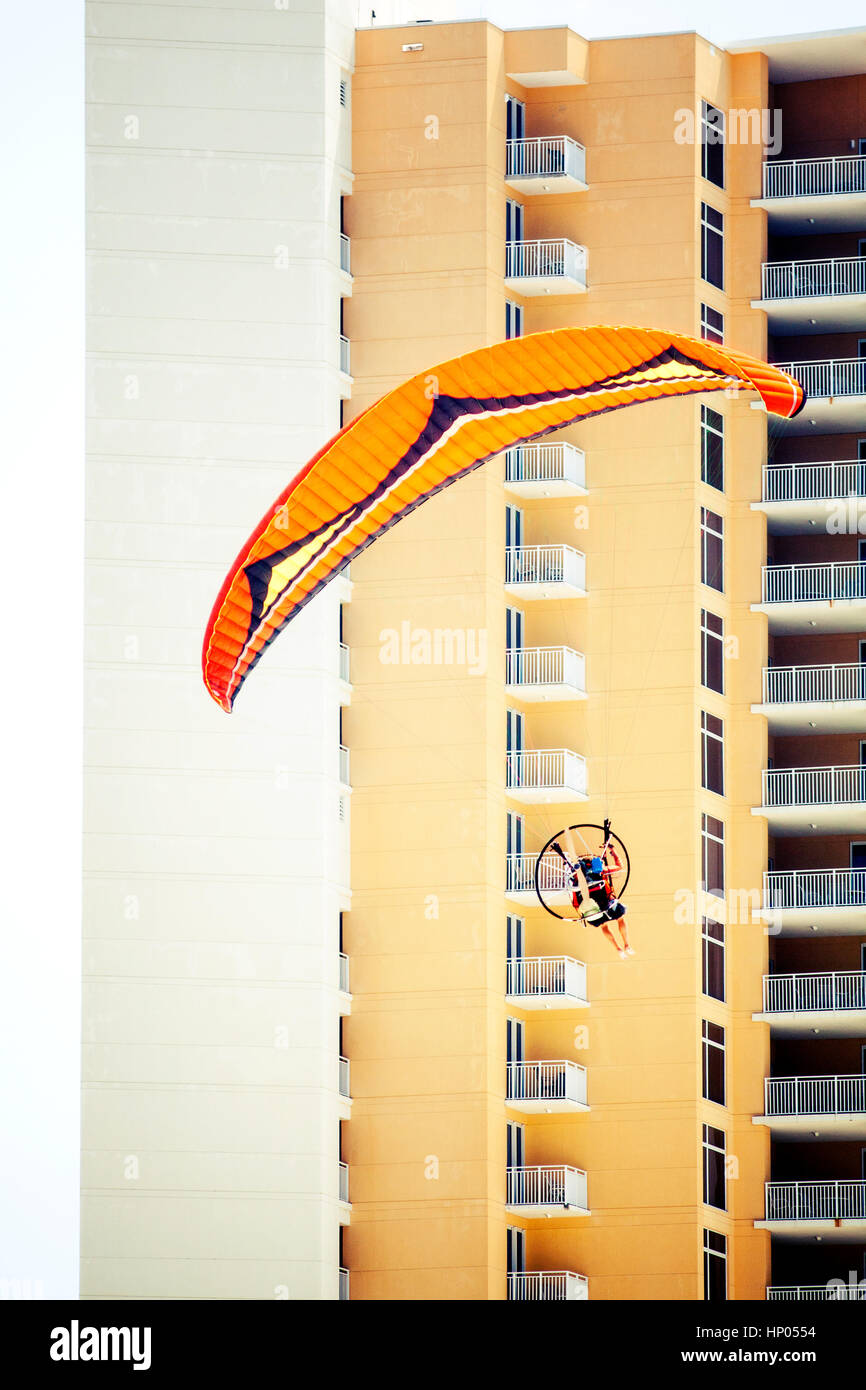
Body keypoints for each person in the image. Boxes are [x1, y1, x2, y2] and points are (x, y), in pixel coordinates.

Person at [570, 842, 634, 960]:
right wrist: (613, 851)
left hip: (593, 910)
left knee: (604, 926)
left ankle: (618, 948)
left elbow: (575, 898)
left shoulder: (576, 878)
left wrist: (580, 913)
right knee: (620, 919)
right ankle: (627, 945)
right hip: (606, 903)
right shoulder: (599, 871)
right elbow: (619, 866)